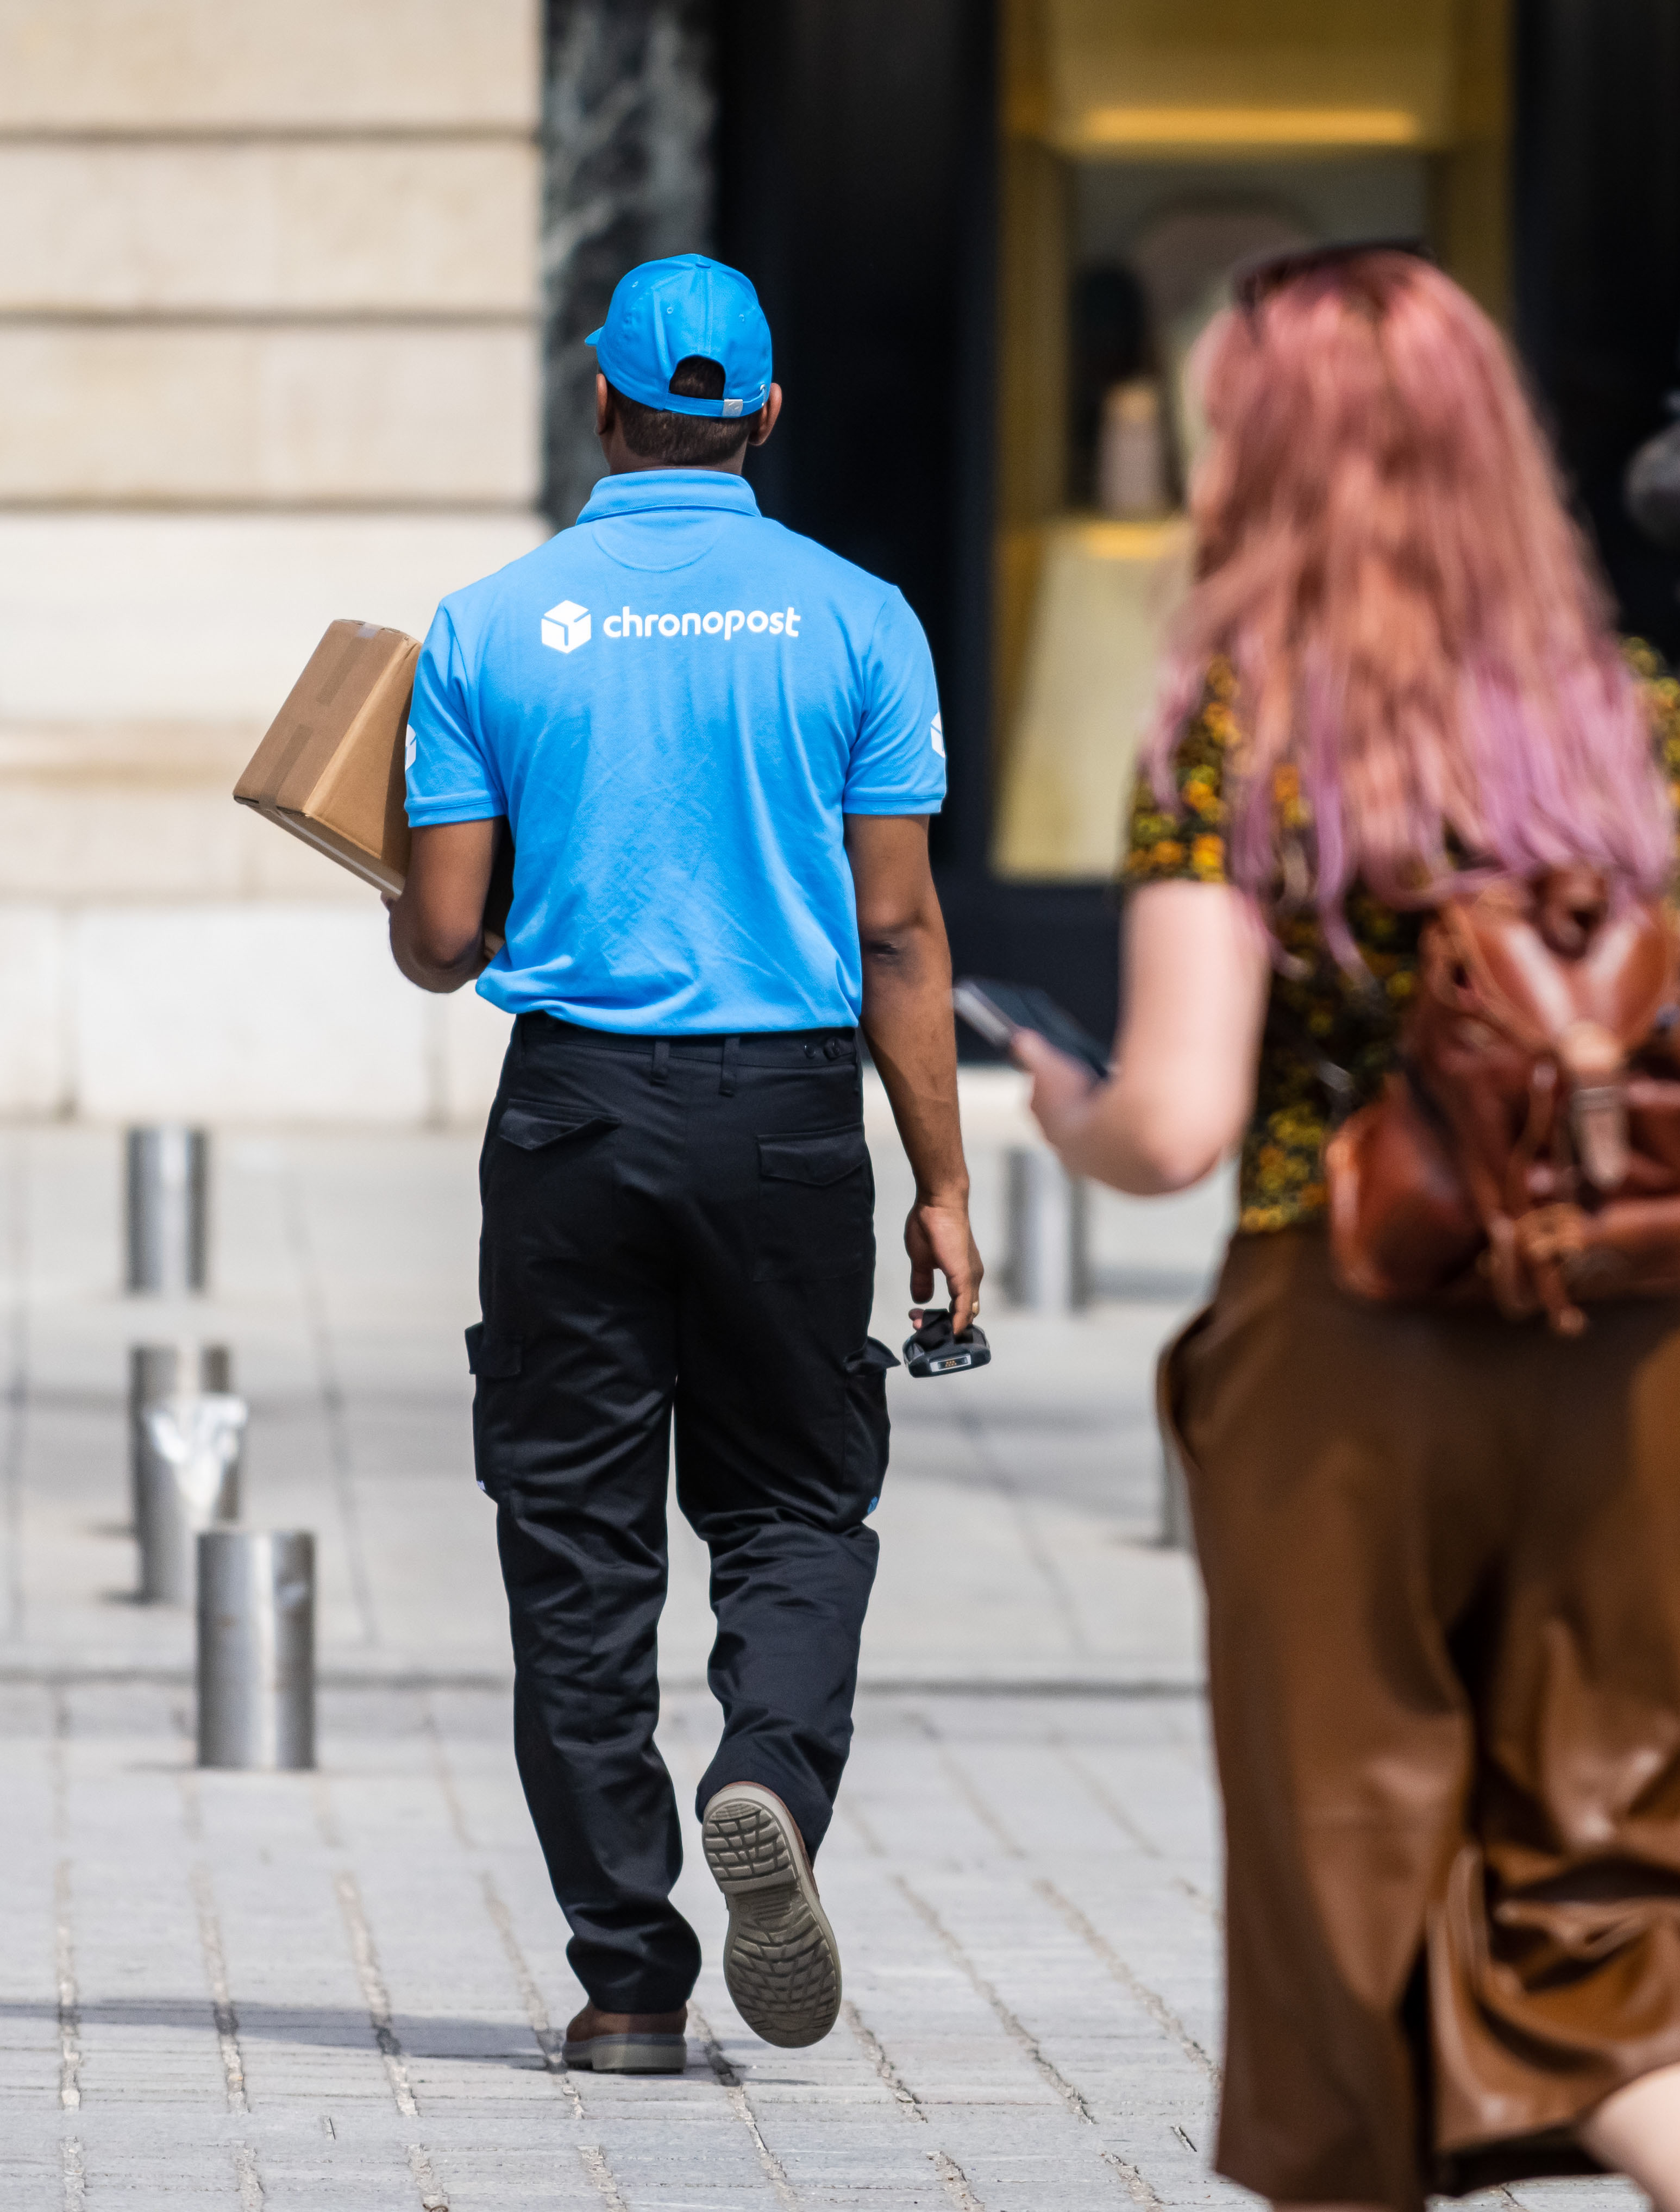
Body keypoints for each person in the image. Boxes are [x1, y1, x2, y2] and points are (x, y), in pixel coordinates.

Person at [1011, 247, 1680, 2209]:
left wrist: (1062, 1109)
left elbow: (1176, 1122)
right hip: (1628, 1348)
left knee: (1346, 1887)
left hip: (1347, 1344)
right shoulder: (1632, 725)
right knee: (1619, 1892)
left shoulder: (1233, 733)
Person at [383, 254, 982, 2076]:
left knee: (573, 1544)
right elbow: (897, 933)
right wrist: (942, 1184)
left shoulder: (486, 628)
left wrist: (421, 895)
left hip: (572, 1116)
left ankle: (629, 1980)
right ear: (764, 414)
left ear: (600, 403)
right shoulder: (860, 621)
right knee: (794, 1502)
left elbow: (442, 939)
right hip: (784, 1115)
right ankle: (766, 1776)